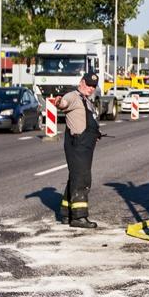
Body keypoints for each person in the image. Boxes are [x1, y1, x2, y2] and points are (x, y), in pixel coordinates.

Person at [56, 72, 102, 228]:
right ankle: (79, 217)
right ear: (81, 82)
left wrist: (95, 133)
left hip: (86, 145)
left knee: (75, 177)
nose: (90, 88)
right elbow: (62, 103)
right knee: (82, 179)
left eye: (93, 86)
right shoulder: (73, 96)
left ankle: (65, 213)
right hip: (77, 145)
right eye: (88, 85)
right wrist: (58, 102)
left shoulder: (87, 100)